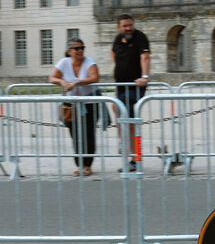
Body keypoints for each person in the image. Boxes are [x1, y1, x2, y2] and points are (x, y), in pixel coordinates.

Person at [50, 39, 100, 176]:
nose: (80, 50)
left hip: (89, 103)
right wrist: (62, 81)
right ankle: (80, 165)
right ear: (69, 51)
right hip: (71, 104)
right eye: (77, 48)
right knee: (75, 134)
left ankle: (87, 165)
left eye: (82, 47)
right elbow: (52, 78)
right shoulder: (64, 62)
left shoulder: (89, 62)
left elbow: (94, 78)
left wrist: (77, 82)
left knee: (89, 134)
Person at [109, 14, 151, 171]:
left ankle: (132, 154)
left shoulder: (140, 37)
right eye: (125, 26)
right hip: (121, 85)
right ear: (118, 27)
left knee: (121, 111)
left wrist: (144, 77)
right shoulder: (117, 39)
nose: (128, 28)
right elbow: (113, 53)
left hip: (135, 86)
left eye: (130, 25)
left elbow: (145, 57)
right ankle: (131, 153)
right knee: (126, 118)